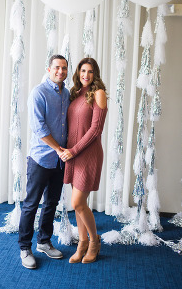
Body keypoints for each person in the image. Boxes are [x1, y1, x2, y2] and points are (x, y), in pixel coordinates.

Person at [19, 54, 70, 269]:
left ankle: (44, 242)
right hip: (41, 158)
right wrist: (59, 149)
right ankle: (24, 248)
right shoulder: (38, 93)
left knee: (51, 203)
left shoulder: (66, 93)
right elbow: (39, 129)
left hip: (59, 161)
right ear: (49, 69)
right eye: (57, 67)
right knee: (31, 204)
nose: (61, 71)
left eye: (64, 68)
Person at [59, 57, 107, 264]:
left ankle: (94, 242)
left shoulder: (99, 94)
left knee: (77, 202)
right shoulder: (75, 94)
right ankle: (82, 243)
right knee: (80, 204)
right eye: (82, 71)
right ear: (78, 73)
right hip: (73, 153)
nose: (85, 75)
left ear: (95, 74)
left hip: (87, 153)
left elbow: (96, 129)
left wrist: (74, 150)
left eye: (90, 71)